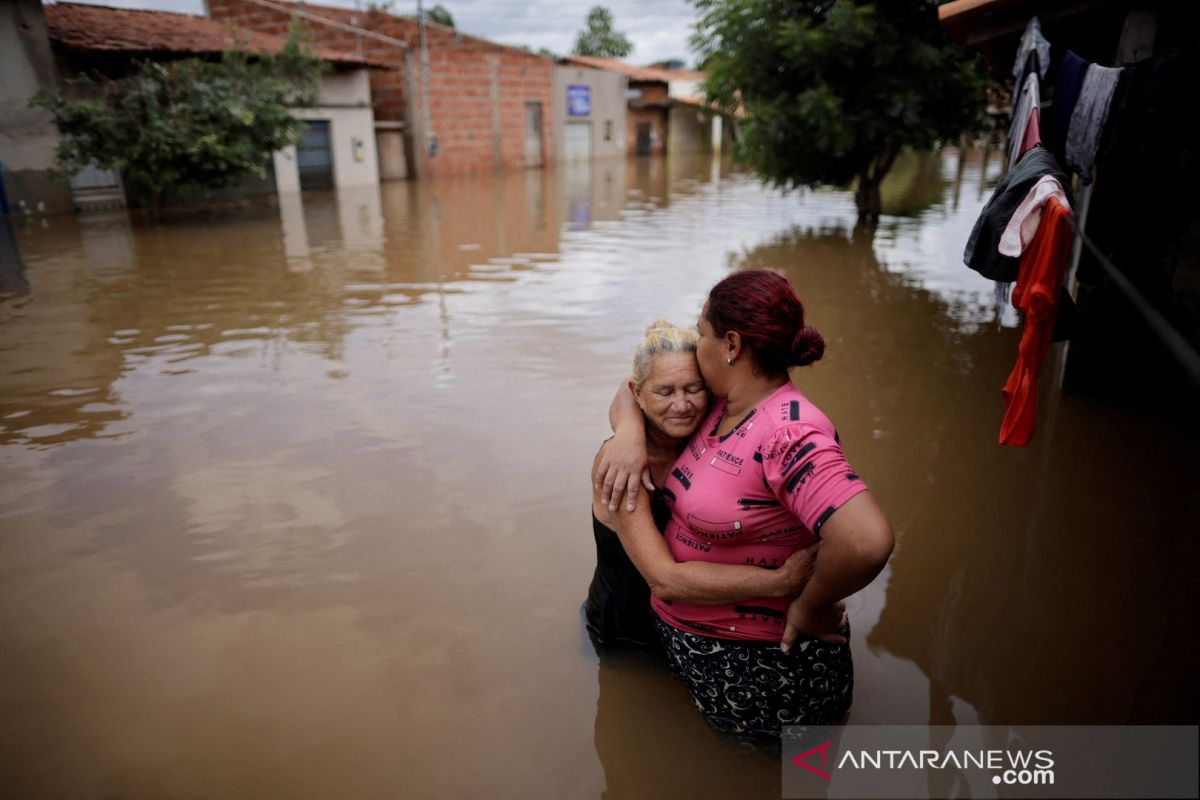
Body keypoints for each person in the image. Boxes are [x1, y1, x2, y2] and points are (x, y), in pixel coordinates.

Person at [597, 270, 894, 738]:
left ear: (730, 345)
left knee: (789, 782)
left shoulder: (786, 432)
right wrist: (629, 435)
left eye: (701, 335)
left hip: (768, 674)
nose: (696, 348)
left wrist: (808, 603)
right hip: (707, 663)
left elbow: (865, 540)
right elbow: (639, 382)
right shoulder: (722, 402)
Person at [586, 320, 818, 651]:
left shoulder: (709, 430)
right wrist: (783, 582)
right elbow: (663, 580)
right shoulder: (620, 466)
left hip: (704, 627)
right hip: (627, 629)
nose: (681, 405)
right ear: (639, 394)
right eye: (665, 392)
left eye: (693, 389)